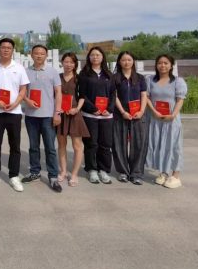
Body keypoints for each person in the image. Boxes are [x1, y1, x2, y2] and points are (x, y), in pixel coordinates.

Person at [0, 37, 30, 191]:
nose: (5, 50)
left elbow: (23, 89)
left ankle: (13, 175)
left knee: (15, 145)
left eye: (9, 48)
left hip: (14, 113)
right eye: (3, 47)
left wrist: (16, 103)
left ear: (12, 50)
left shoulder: (19, 68)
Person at [21, 44, 63, 193]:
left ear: (46, 56)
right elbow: (22, 92)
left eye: (42, 53)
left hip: (48, 116)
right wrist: (27, 100)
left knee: (50, 148)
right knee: (33, 146)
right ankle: (35, 172)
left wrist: (57, 113)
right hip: (31, 116)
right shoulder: (26, 72)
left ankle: (53, 176)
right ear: (31, 55)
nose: (39, 55)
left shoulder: (53, 72)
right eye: (36, 53)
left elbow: (58, 93)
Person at [145, 54, 187, 189]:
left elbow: (180, 100)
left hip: (171, 120)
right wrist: (154, 112)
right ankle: (163, 172)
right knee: (159, 145)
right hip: (156, 119)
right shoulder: (150, 80)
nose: (162, 65)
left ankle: (176, 175)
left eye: (166, 63)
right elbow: (146, 97)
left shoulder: (178, 81)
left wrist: (173, 115)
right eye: (160, 63)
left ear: (171, 65)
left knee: (174, 146)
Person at [79, 46, 116, 184]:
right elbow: (82, 94)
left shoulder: (108, 74)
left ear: (102, 57)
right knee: (91, 143)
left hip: (106, 116)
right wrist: (92, 108)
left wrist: (109, 109)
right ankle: (92, 169)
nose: (95, 57)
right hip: (90, 115)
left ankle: (103, 170)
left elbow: (113, 94)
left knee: (105, 144)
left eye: (98, 55)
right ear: (89, 57)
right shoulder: (84, 74)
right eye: (92, 55)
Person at [112, 51, 148, 185]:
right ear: (119, 62)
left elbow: (144, 95)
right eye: (123, 60)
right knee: (119, 143)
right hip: (120, 114)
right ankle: (123, 172)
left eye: (129, 60)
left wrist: (142, 111)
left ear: (133, 62)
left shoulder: (140, 78)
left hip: (138, 114)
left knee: (139, 143)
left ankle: (136, 173)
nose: (126, 62)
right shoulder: (115, 78)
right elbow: (114, 96)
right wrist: (122, 112)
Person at [55, 52, 90, 187]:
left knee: (77, 145)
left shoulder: (79, 78)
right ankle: (63, 171)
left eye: (71, 62)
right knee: (61, 144)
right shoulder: (57, 77)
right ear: (62, 63)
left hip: (74, 113)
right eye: (66, 61)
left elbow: (82, 96)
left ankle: (74, 174)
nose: (68, 64)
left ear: (75, 64)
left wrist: (77, 109)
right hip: (61, 114)